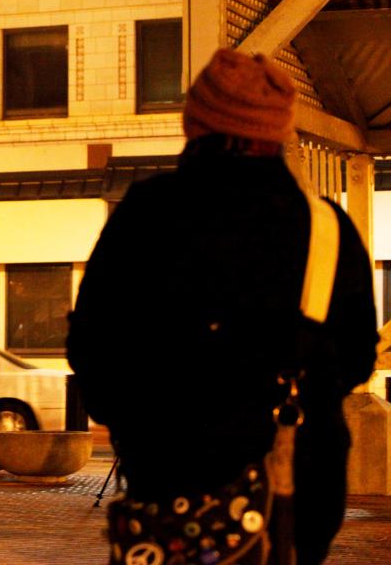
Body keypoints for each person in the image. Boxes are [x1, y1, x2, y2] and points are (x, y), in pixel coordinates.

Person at [66, 48, 377, 564]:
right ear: (277, 130)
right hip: (296, 491)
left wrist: (136, 423)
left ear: (197, 122)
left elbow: (91, 346)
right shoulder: (326, 228)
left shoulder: (147, 214)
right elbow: (357, 356)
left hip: (167, 488)